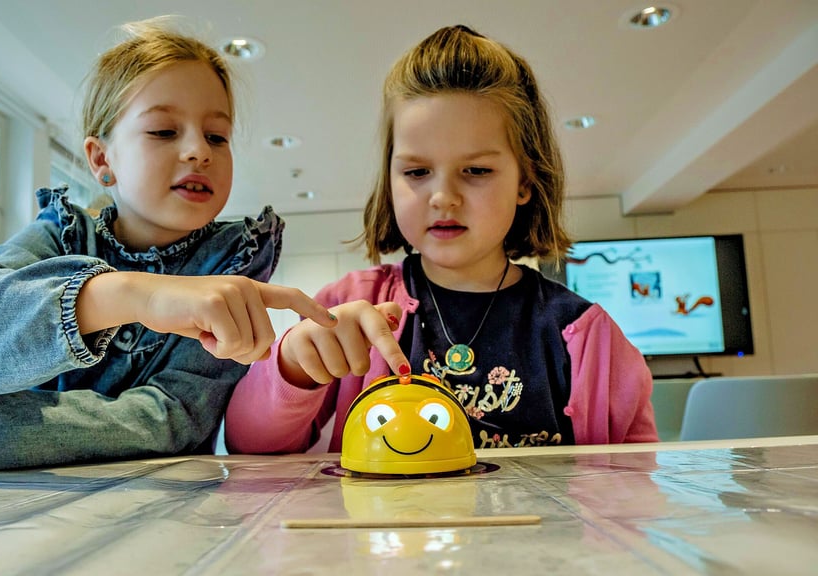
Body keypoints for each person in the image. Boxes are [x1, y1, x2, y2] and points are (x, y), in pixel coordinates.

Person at [0, 18, 334, 471]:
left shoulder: (233, 259)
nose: (198, 151)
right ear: (102, 159)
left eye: (217, 136)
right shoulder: (63, 234)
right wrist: (126, 295)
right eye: (164, 131)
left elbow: (177, 416)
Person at [225, 25, 657, 454]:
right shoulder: (346, 306)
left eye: (477, 171)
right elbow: (249, 446)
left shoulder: (587, 338)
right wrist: (293, 367)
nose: (444, 197)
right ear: (390, 180)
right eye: (416, 172)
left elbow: (631, 491)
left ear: (525, 181)